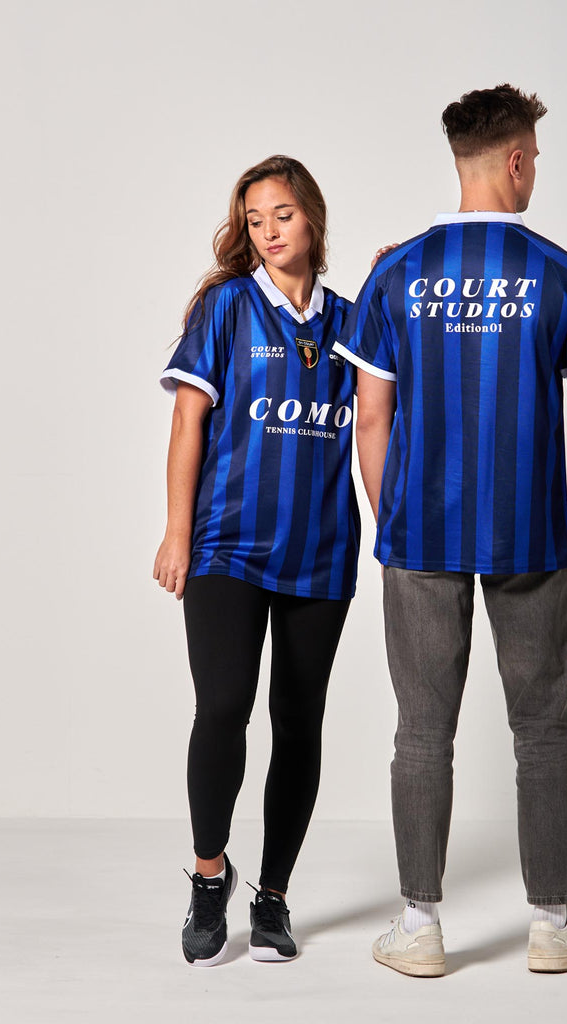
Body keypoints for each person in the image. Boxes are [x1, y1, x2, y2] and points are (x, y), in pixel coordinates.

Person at [333, 85, 567, 977]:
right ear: (514, 159)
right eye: (534, 157)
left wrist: (394, 519)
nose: (535, 170)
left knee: (421, 731)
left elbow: (370, 418)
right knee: (541, 730)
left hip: (418, 534)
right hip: (530, 536)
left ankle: (418, 928)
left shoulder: (394, 274)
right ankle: (553, 925)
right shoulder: (563, 275)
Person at [153, 155, 360, 967]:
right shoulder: (227, 307)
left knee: (298, 722)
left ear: (312, 215)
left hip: (320, 551)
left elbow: (386, 418)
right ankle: (210, 878)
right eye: (253, 220)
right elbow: (187, 424)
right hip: (226, 547)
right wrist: (177, 533)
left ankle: (271, 895)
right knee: (222, 708)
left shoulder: (351, 322)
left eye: (282, 214)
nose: (269, 231)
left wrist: (391, 281)